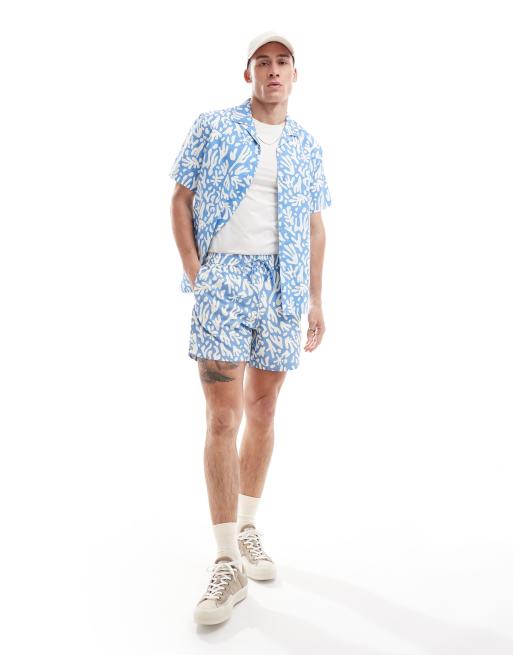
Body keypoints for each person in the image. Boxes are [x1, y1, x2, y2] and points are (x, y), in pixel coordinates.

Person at [169, 30, 332, 625]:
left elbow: (314, 225)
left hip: (284, 286)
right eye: (262, 62)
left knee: (263, 409)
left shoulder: (307, 145)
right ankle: (224, 562)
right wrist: (197, 272)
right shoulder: (213, 127)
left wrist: (315, 298)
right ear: (248, 74)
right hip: (226, 280)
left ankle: (246, 527)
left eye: (282, 61)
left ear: (295, 74)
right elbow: (181, 199)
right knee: (222, 416)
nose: (273, 70)